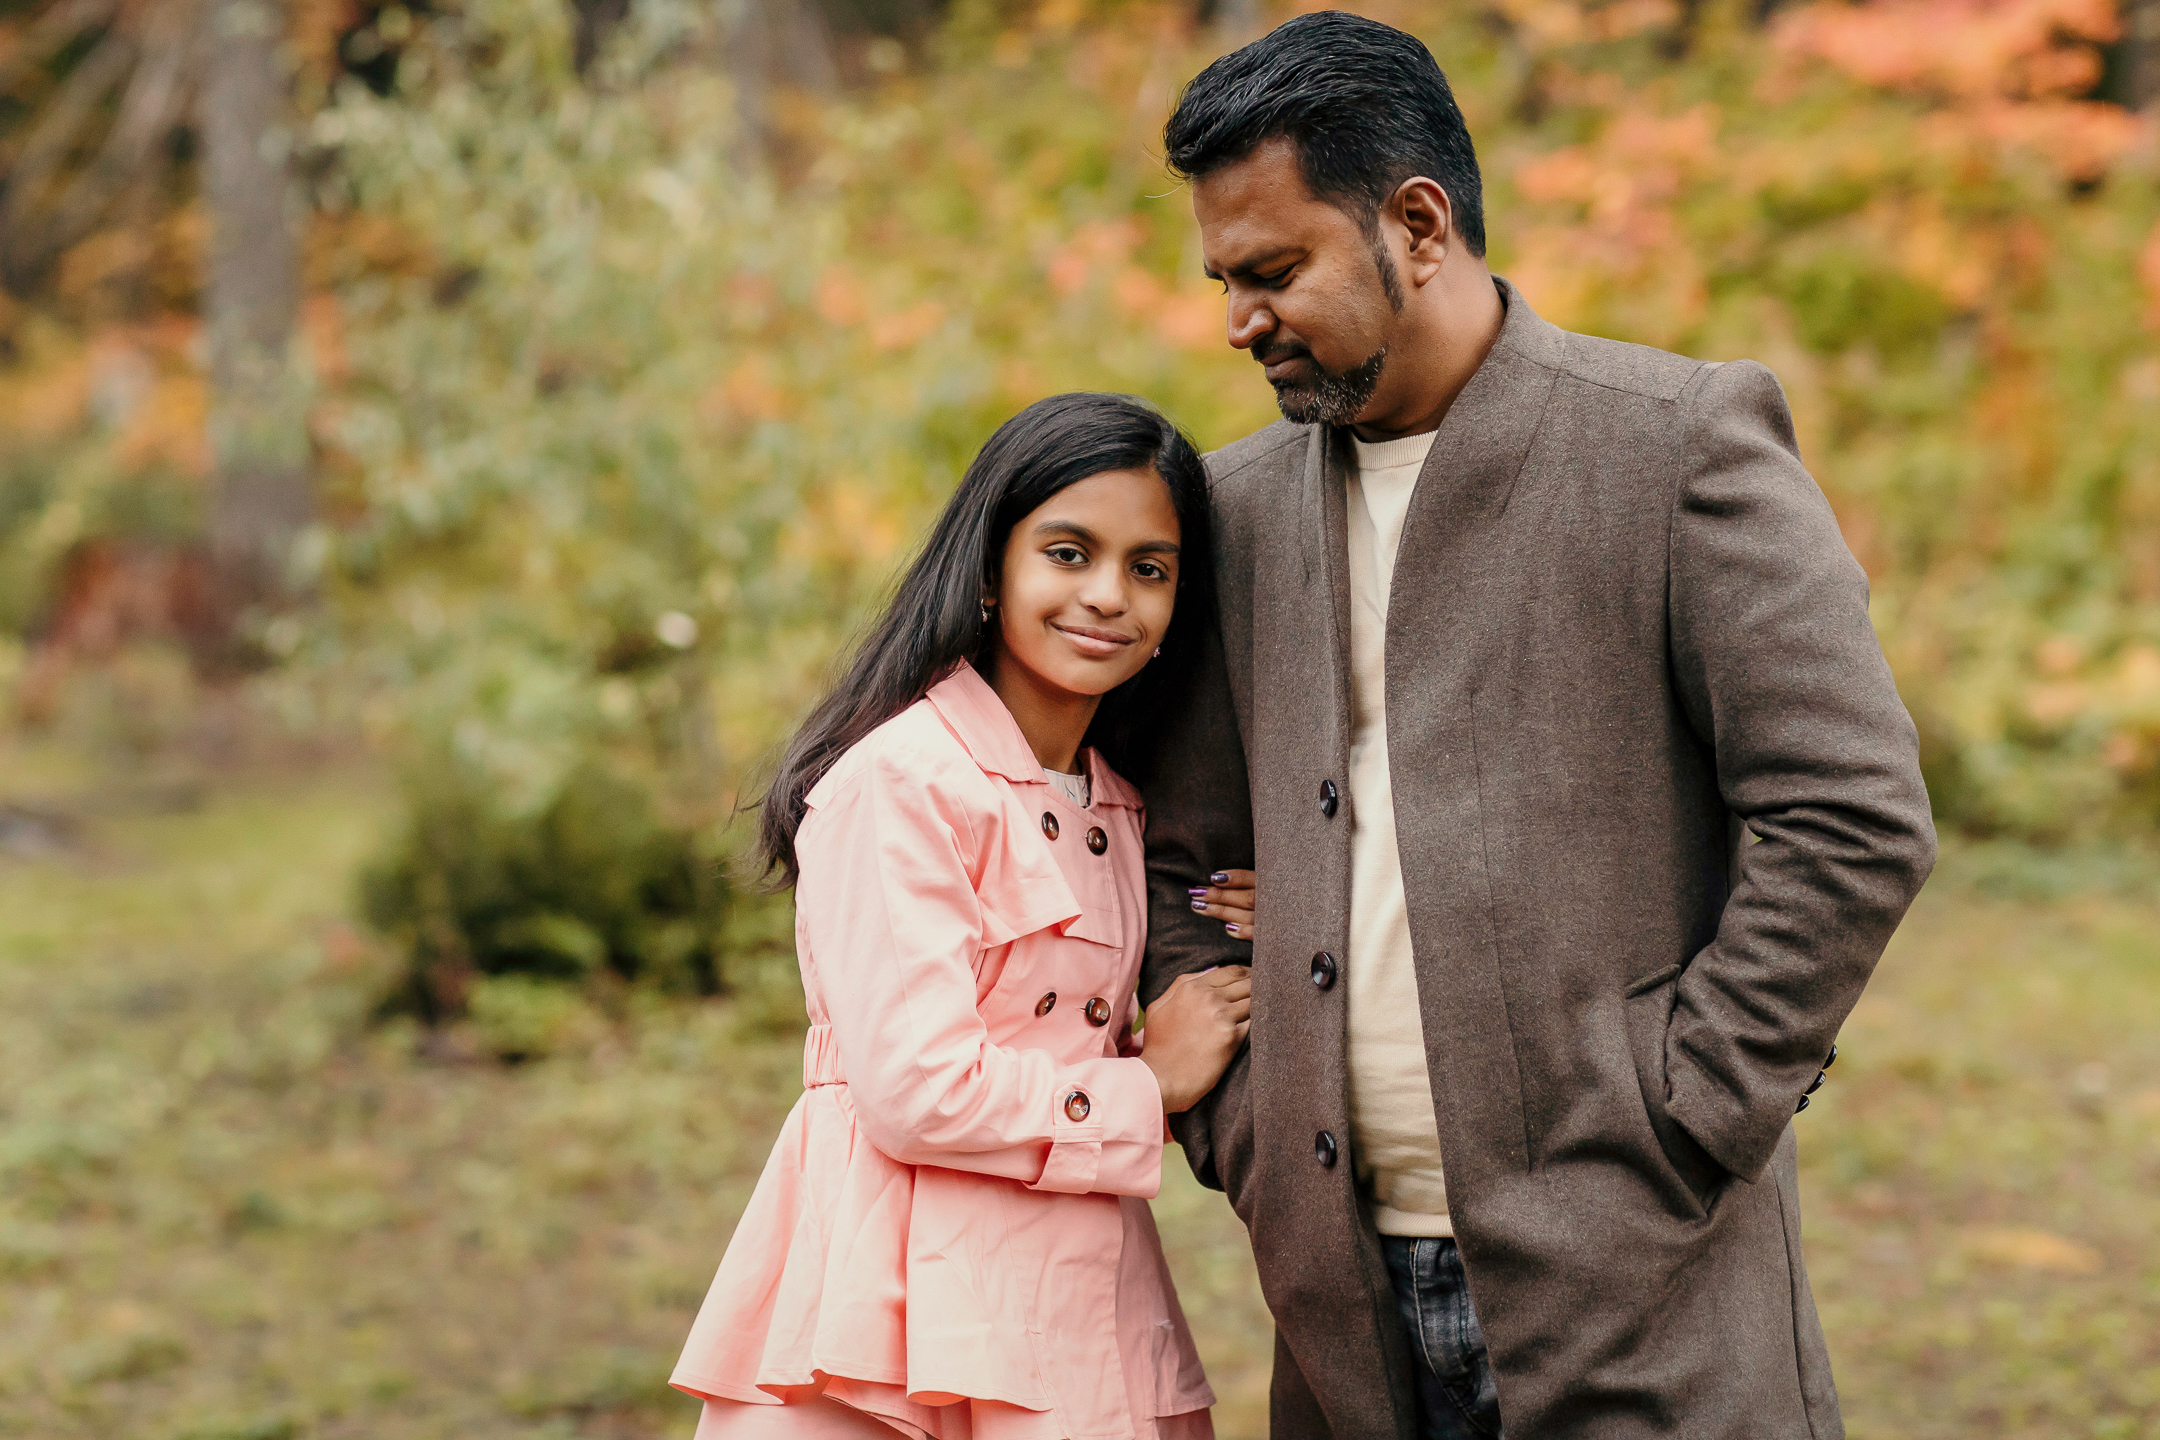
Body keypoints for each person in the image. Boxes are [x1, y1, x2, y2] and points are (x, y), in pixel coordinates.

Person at [1141, 13, 1937, 1440]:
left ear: (1419, 224)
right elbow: (1175, 852)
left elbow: (1852, 808)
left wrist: (1694, 1106)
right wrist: (1245, 1129)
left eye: (1272, 273)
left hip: (1642, 1290)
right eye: (1223, 281)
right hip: (1340, 1315)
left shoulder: (1677, 444)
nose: (1237, 322)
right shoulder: (1233, 508)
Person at [670, 393, 1254, 1440]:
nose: (1108, 597)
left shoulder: (1116, 802)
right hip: (890, 1307)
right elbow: (917, 1089)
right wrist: (1145, 1084)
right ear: (990, 570)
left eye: (1149, 568)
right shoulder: (903, 780)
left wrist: (1292, 913)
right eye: (1069, 553)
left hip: (1075, 1290)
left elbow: (1064, 1032)